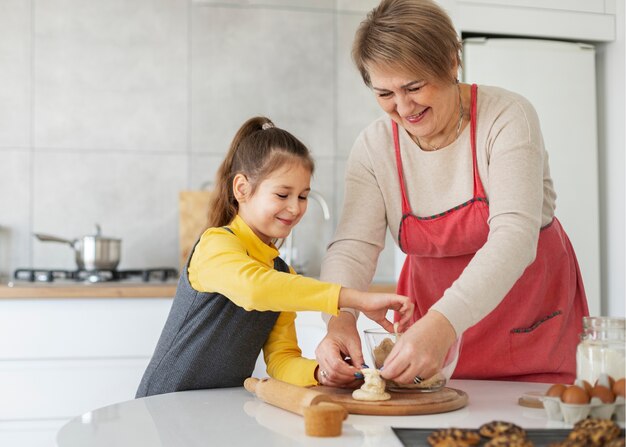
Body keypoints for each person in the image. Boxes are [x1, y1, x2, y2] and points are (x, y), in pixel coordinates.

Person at [315, 0, 589, 387]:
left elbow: (514, 238)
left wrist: (443, 325)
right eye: (384, 94)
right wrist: (339, 318)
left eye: (414, 86)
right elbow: (352, 247)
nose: (403, 107)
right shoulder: (374, 147)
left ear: (450, 61)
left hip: (526, 330)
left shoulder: (507, 117)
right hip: (427, 341)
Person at [136, 116, 414, 398]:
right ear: (242, 189)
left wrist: (321, 373)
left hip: (215, 412)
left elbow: (281, 360)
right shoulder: (215, 245)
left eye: (303, 196)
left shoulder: (281, 274)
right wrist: (355, 298)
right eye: (282, 194)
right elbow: (255, 289)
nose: (294, 208)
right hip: (164, 404)